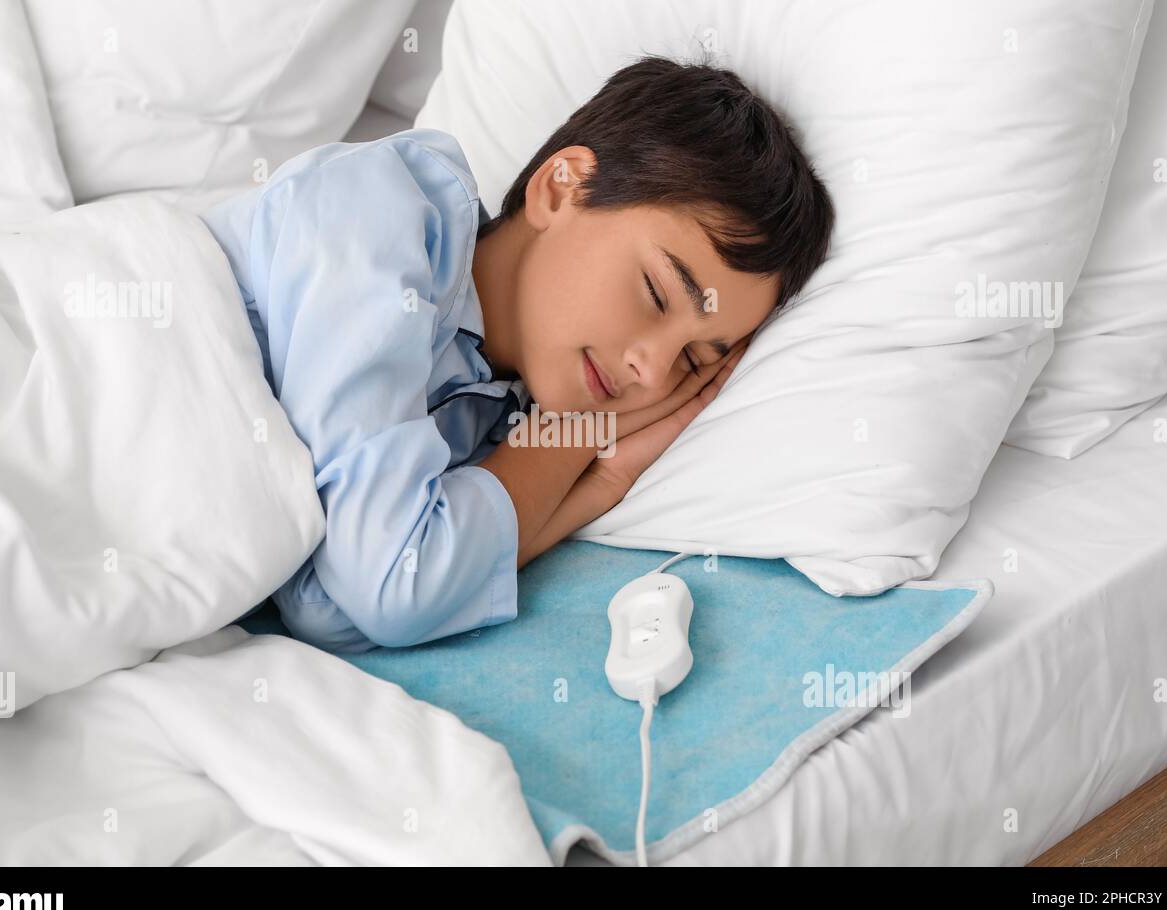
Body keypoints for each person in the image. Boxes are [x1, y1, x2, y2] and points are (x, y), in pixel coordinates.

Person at [201, 55, 834, 655]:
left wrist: (601, 480)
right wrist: (575, 440)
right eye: (656, 292)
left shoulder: (492, 420)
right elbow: (388, 585)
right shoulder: (377, 209)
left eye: (695, 360)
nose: (654, 370)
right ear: (560, 189)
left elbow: (329, 613)